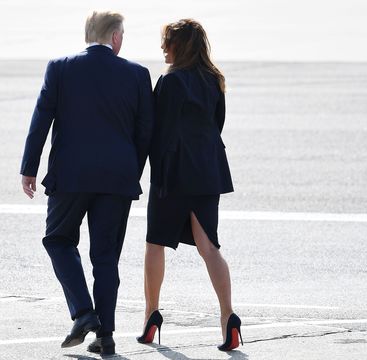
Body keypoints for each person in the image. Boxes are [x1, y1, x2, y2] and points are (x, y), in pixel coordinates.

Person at [20, 10, 153, 356]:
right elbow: (145, 134)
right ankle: (105, 336)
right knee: (106, 257)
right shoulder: (138, 75)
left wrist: (29, 167)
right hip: (117, 179)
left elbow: (41, 120)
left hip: (70, 176)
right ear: (114, 37)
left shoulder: (60, 67)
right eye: (122, 34)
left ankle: (82, 312)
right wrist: (129, 172)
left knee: (58, 239)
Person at [137, 19, 242, 351]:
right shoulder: (214, 80)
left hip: (174, 174)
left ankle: (151, 314)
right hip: (209, 172)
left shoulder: (170, 83)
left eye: (166, 42)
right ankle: (228, 318)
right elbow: (217, 125)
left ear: (177, 46)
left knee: (156, 244)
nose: (162, 49)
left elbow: (158, 132)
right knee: (210, 248)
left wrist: (144, 171)